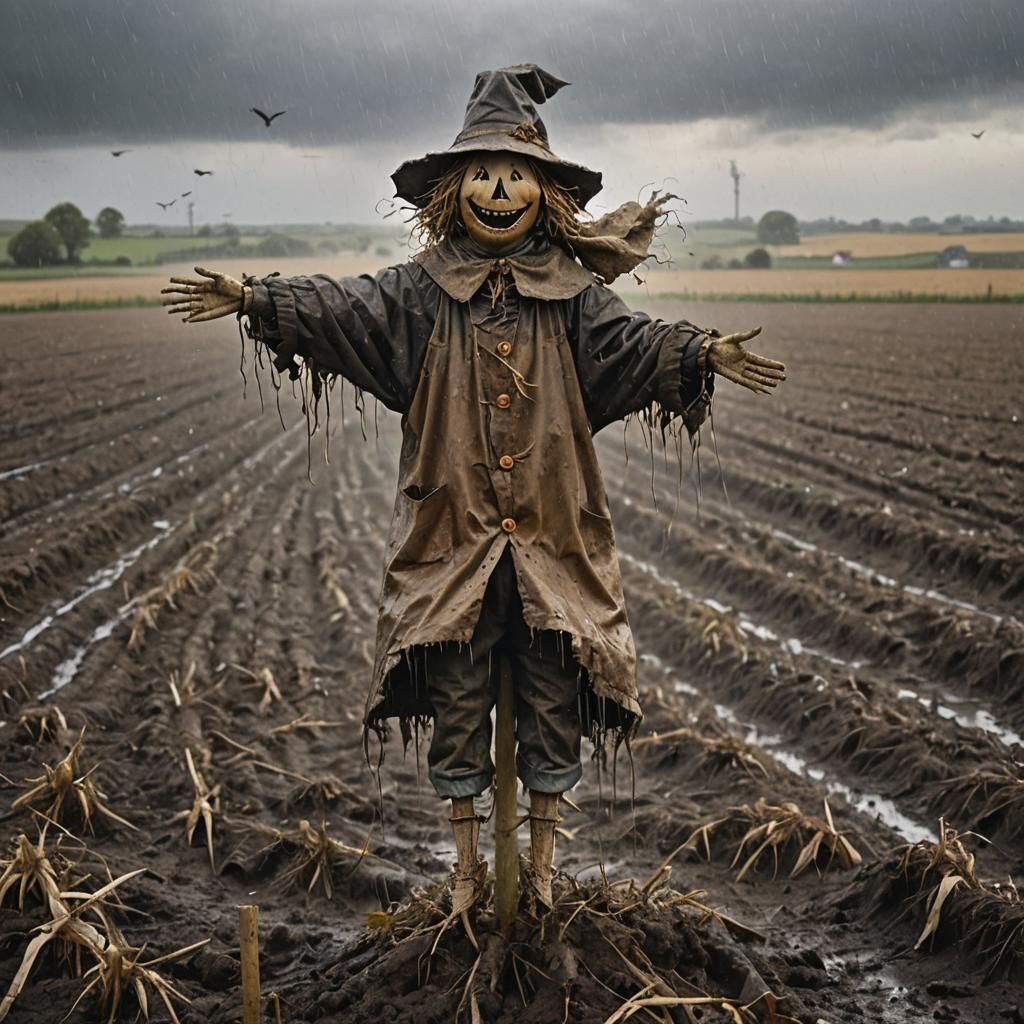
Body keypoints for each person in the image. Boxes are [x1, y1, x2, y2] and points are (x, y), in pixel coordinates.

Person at [162, 64, 785, 916]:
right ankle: (464, 875)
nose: (499, 191)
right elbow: (346, 309)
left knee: (554, 692)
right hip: (450, 536)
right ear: (454, 191)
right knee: (456, 695)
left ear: (544, 192)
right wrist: (257, 299)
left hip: (554, 538)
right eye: (483, 175)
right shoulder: (422, 292)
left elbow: (635, 344)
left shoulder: (573, 297)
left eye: (515, 175)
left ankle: (540, 873)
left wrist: (700, 352)